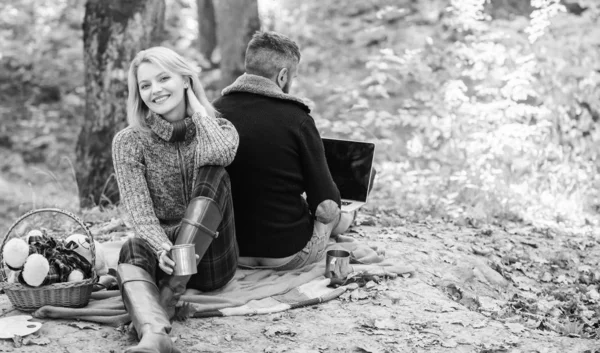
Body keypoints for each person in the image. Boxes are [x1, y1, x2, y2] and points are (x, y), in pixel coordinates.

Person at [112, 46, 239, 353]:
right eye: (145, 85)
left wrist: (199, 112)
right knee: (131, 246)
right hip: (164, 260)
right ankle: (155, 334)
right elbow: (138, 212)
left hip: (208, 259)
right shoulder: (130, 141)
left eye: (164, 78)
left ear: (185, 80)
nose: (155, 90)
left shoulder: (219, 128)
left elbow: (222, 154)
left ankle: (171, 294)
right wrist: (160, 247)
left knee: (214, 172)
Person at [212, 31, 356, 271]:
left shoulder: (213, 113)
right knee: (338, 216)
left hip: (230, 253)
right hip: (289, 255)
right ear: (282, 76)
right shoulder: (297, 119)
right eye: (293, 77)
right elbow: (325, 204)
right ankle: (349, 221)